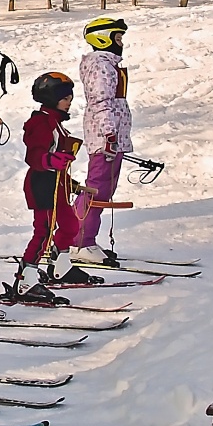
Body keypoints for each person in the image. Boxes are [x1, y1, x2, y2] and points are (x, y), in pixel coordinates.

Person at [4, 71, 94, 299]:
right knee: (43, 231)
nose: (69, 102)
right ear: (52, 99)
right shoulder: (41, 123)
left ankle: (60, 266)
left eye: (70, 98)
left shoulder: (56, 123)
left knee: (70, 224)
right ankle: (26, 279)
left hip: (57, 184)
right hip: (42, 184)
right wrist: (50, 160)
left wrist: (70, 182)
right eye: (65, 98)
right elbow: (34, 156)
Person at [71, 16, 132, 265]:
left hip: (112, 138)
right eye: (117, 38)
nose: (121, 44)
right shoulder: (101, 65)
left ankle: (78, 237)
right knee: (96, 189)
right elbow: (100, 102)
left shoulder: (107, 64)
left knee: (102, 190)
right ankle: (79, 242)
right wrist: (109, 133)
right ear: (103, 39)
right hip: (106, 139)